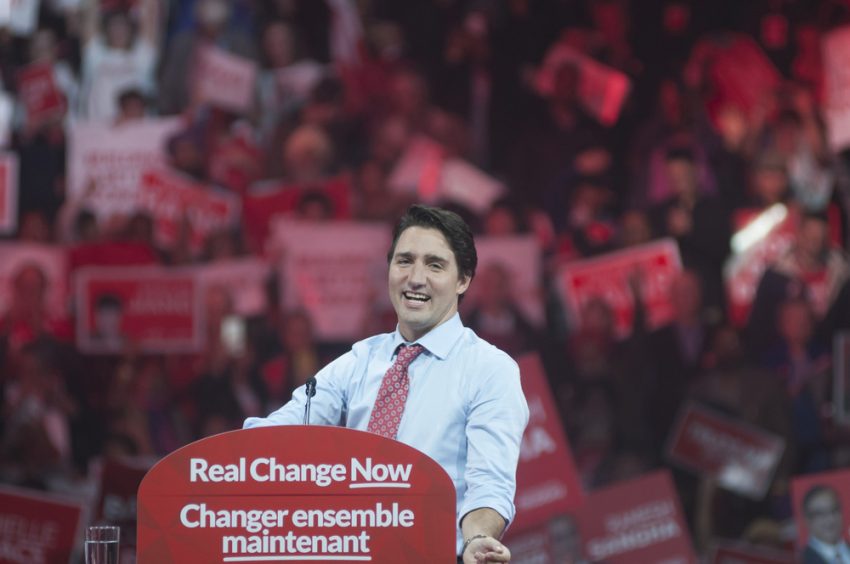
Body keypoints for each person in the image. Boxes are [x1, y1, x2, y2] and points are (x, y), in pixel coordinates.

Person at [245, 204, 529, 563]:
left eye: (435, 265)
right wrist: (224, 462)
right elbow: (277, 434)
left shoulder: (489, 369)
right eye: (404, 261)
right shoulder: (359, 361)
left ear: (463, 280)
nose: (415, 278)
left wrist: (477, 537)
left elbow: (489, 485)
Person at [801, 485, 850, 563]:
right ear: (807, 520)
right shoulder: (800, 560)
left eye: (834, 510)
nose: (830, 519)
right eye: (820, 513)